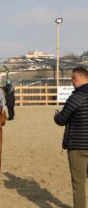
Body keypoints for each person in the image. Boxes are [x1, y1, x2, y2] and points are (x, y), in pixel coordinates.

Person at [54, 66, 88, 208]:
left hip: (78, 147)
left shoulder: (76, 97)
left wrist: (56, 114)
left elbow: (61, 120)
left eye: (72, 80)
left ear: (76, 78)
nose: (72, 83)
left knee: (78, 184)